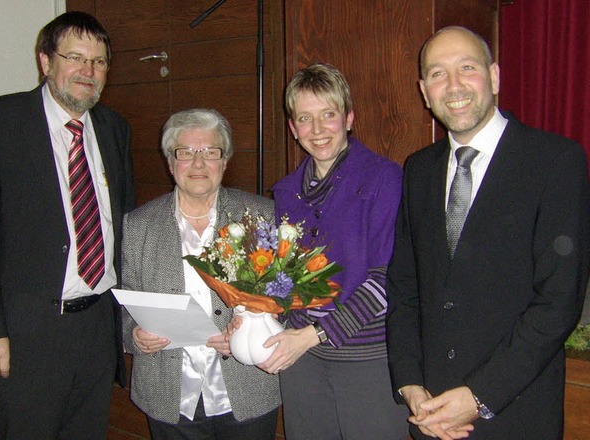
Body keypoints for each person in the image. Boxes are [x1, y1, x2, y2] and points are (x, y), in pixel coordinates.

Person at [386, 26, 590, 440]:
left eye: (467, 67)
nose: (454, 85)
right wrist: (409, 383)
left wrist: (478, 395)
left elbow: (558, 303)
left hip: (515, 413)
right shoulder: (418, 169)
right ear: (425, 91)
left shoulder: (555, 161)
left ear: (494, 76)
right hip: (430, 414)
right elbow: (404, 286)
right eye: (438, 73)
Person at [0, 11, 134, 439]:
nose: (88, 71)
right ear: (45, 61)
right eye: (75, 57)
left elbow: (122, 225)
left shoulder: (113, 129)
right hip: (23, 335)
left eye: (100, 61)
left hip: (96, 329)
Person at [259, 63, 408, 439]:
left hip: (367, 360)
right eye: (305, 119)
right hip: (302, 363)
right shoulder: (286, 193)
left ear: (349, 117)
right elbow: (284, 281)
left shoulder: (383, 179)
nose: (318, 129)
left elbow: (387, 279)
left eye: (328, 114)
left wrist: (313, 334)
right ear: (293, 129)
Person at [121, 108, 280, 440]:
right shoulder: (139, 225)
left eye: (210, 152)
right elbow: (125, 303)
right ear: (170, 163)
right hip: (169, 392)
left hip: (247, 385)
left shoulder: (261, 215)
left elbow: (285, 297)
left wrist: (250, 332)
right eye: (185, 153)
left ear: (224, 162)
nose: (197, 163)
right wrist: (134, 335)